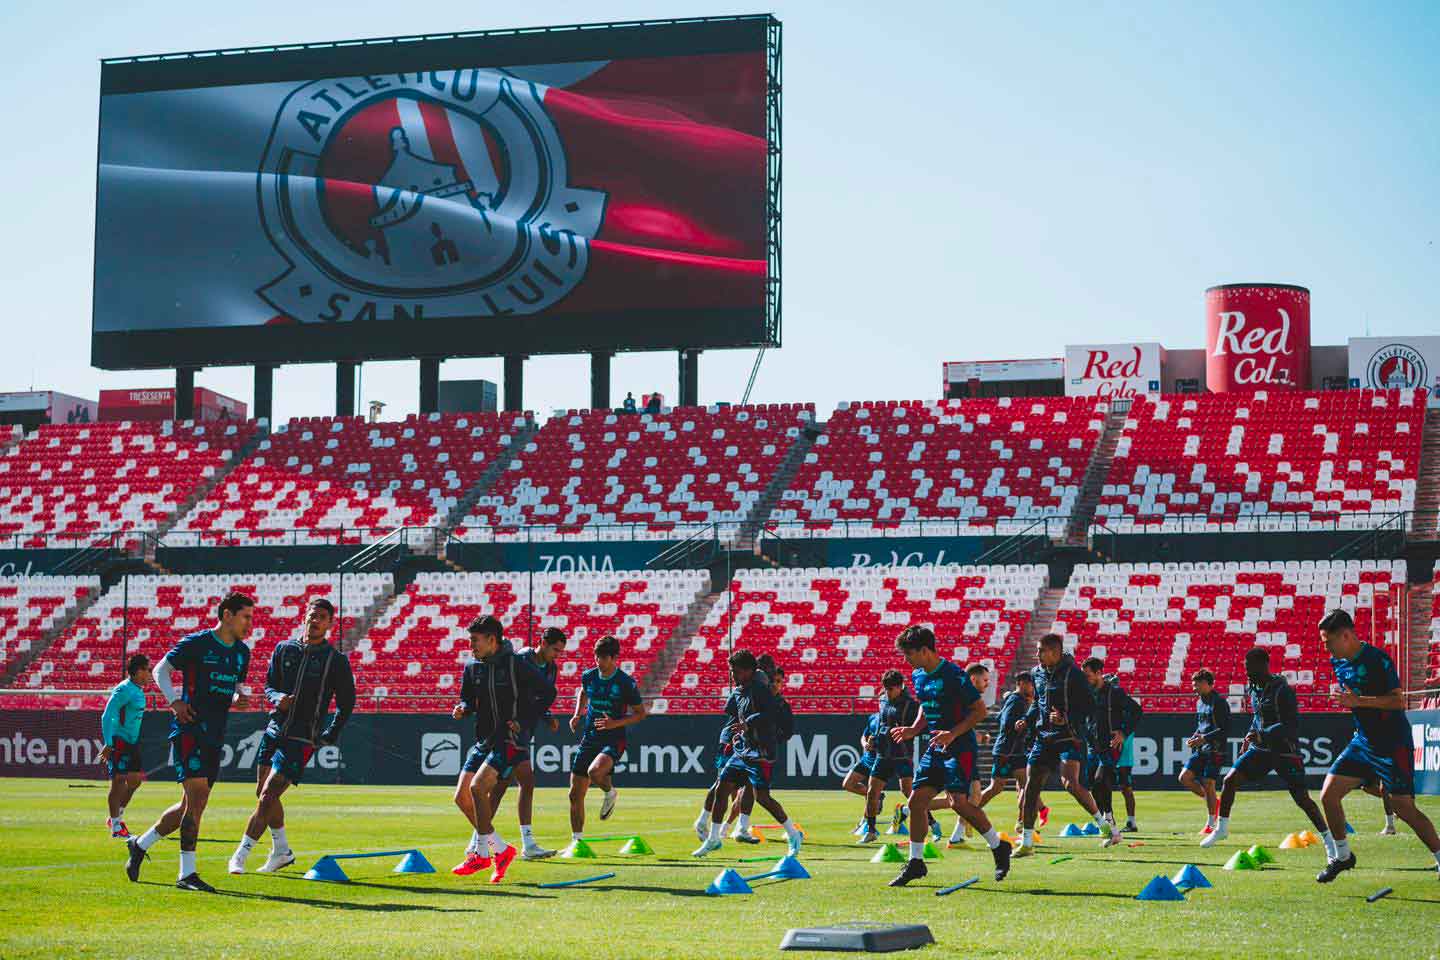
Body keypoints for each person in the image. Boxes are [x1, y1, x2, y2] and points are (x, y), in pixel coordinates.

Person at [125, 593, 254, 892]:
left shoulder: (242, 653)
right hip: (189, 731)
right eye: (245, 616)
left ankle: (140, 844)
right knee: (196, 799)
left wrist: (239, 698)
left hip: (215, 735)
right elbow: (161, 670)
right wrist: (174, 702)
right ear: (226, 615)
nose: (249, 623)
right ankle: (187, 874)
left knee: (191, 805)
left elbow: (235, 688)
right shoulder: (197, 643)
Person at [229, 597, 355, 875]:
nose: (316, 619)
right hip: (274, 728)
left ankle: (241, 854)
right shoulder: (284, 649)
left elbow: (347, 702)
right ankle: (282, 851)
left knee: (267, 796)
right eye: (313, 614)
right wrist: (277, 699)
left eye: (322, 616)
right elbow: (269, 685)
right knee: (264, 794)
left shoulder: (336, 660)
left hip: (303, 737)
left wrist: (331, 731)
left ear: (330, 623)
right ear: (305, 616)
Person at [1314, 608, 1440, 882]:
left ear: (1346, 636)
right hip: (1363, 741)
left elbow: (1398, 701)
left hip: (1393, 742)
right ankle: (1343, 857)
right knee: (1328, 795)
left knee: (1403, 807)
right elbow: (1353, 695)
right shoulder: (1339, 663)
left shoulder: (1378, 660)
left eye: (1328, 642)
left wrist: (1359, 702)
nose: (1327, 650)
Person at [886, 626, 1011, 886]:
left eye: (908, 654)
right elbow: (925, 706)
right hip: (936, 748)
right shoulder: (918, 675)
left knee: (959, 803)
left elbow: (979, 712)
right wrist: (913, 729)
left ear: (924, 650)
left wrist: (952, 734)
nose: (905, 660)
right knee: (916, 802)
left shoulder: (954, 675)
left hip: (959, 747)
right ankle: (916, 863)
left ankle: (999, 847)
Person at [450, 615, 557, 883]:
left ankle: (482, 853)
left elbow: (547, 693)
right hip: (483, 740)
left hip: (509, 740)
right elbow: (468, 698)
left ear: (492, 640)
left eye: (475, 640)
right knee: (461, 798)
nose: (471, 645)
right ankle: (501, 849)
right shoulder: (473, 667)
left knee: (477, 788)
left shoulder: (516, 663)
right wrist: (464, 708)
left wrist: (523, 719)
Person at [1201, 647, 1333, 853]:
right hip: (1261, 750)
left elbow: (1291, 725)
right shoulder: (1254, 688)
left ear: (1262, 665)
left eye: (1249, 667)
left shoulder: (1282, 690)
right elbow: (1257, 717)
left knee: (1303, 799)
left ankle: (1329, 840)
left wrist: (1262, 734)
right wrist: (1249, 737)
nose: (1246, 671)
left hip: (1284, 751)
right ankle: (1222, 829)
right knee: (1229, 781)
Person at [1015, 634, 1119, 857]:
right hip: (1044, 737)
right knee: (1031, 787)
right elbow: (1039, 704)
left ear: (1055, 651)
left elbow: (1090, 706)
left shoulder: (1074, 675)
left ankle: (1103, 826)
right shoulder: (1037, 673)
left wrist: (1067, 719)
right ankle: (1026, 843)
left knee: (1070, 784)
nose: (1037, 654)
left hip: (1069, 737)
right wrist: (1028, 718)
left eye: (1041, 650)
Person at [693, 649, 802, 858]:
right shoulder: (738, 691)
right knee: (722, 787)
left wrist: (748, 724)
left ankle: (792, 833)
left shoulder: (761, 689)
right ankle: (713, 838)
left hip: (760, 751)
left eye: (735, 671)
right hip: (742, 748)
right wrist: (735, 732)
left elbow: (769, 714)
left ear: (748, 671)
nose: (732, 675)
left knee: (762, 797)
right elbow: (734, 716)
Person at [487, 626, 567, 860]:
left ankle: (481, 840)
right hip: (510, 731)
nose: (557, 655)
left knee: (502, 786)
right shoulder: (521, 659)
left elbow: (539, 699)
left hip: (525, 731)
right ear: (542, 642)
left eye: (561, 652)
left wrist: (547, 716)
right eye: (555, 650)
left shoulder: (552, 669)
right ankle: (517, 843)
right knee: (520, 783)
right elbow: (510, 694)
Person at [568, 635, 646, 843]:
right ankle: (577, 841)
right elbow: (583, 692)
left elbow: (640, 713)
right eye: (596, 657)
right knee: (574, 794)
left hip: (613, 738)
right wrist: (578, 713)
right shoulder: (589, 676)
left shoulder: (625, 683)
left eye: (603, 658)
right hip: (590, 737)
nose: (598, 662)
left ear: (614, 658)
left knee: (595, 772)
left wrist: (614, 723)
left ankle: (610, 792)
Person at [841, 669, 919, 844]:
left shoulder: (911, 705)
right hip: (883, 754)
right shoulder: (883, 700)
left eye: (890, 689)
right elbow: (880, 725)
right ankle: (871, 830)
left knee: (909, 792)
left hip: (902, 755)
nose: (887, 693)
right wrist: (874, 739)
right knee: (872, 792)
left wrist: (909, 733)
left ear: (900, 687)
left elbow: (919, 726)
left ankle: (930, 823)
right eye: (885, 689)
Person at [724, 658, 796, 842]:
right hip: (746, 748)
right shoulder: (752, 696)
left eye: (779, 681)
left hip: (763, 751)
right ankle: (732, 828)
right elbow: (733, 716)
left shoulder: (780, 705)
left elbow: (787, 730)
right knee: (736, 788)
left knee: (757, 794)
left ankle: (731, 828)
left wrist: (771, 740)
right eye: (773, 680)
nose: (775, 684)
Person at [1080, 658, 1142, 831]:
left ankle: (1108, 818)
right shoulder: (1087, 694)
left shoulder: (1114, 693)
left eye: (1088, 675)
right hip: (1093, 746)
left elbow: (1136, 711)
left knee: (1101, 779)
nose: (1086, 679)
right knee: (1092, 784)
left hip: (1111, 745)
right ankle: (1105, 817)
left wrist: (1123, 732)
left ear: (1099, 673)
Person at [978, 672, 1042, 833]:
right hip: (1007, 751)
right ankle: (969, 813)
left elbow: (999, 718)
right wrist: (1019, 725)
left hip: (1015, 751)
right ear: (1021, 683)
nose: (1032, 687)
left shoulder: (1018, 700)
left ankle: (1022, 823)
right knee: (996, 787)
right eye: (1030, 684)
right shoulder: (1016, 700)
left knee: (1026, 785)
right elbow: (1006, 722)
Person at [100, 654, 152, 839]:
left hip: (132, 743)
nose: (149, 674)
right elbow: (106, 716)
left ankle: (116, 818)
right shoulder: (123, 690)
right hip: (119, 741)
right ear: (138, 671)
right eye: (147, 670)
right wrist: (108, 743)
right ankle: (116, 828)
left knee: (135, 781)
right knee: (118, 782)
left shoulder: (137, 690)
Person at [1180, 669, 1229, 835]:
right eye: (1193, 685)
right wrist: (1194, 737)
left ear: (1208, 684)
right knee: (1184, 778)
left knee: (1209, 783)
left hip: (1216, 749)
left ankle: (1211, 823)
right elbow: (1201, 726)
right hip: (1201, 748)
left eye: (1197, 685)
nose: (1194, 688)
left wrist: (1204, 738)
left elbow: (1225, 729)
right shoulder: (1199, 701)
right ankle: (1214, 802)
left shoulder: (1220, 702)